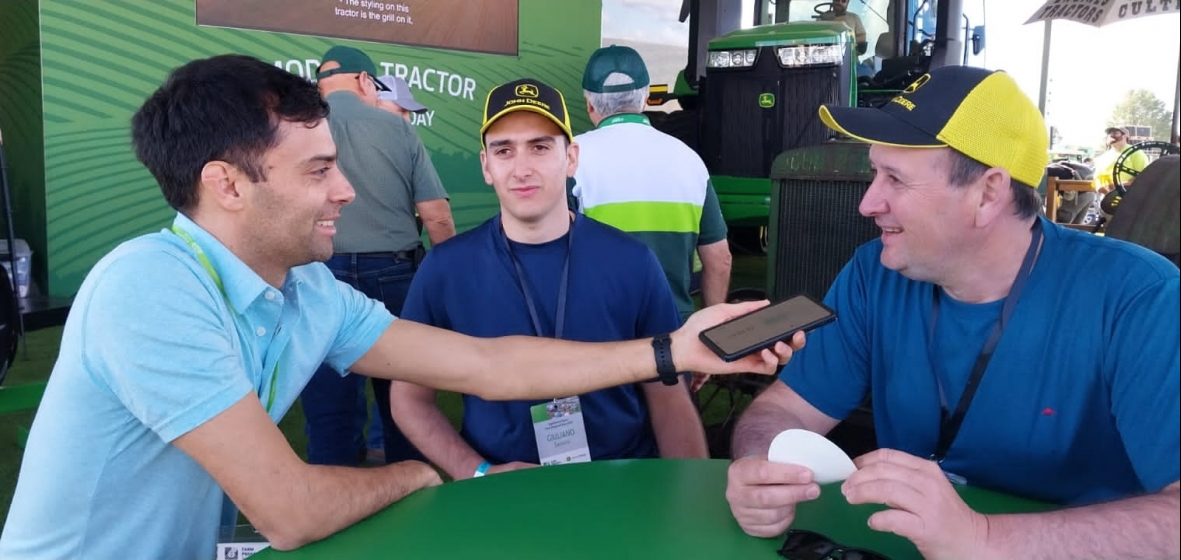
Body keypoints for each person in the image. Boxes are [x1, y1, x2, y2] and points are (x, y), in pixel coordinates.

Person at [0, 54, 803, 560]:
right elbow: (290, 512)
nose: (345, 191)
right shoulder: (149, 285)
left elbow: (488, 364)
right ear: (227, 185)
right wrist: (423, 474)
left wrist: (673, 350)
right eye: (319, 171)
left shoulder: (308, 290)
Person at [723, 66, 1179, 559]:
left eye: (895, 179)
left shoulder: (1140, 298)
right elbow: (784, 409)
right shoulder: (874, 272)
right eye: (875, 173)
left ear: (987, 194)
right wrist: (759, 464)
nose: (868, 203)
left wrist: (981, 538)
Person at [389, 78, 709, 480]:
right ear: (486, 166)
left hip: (619, 483)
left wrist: (695, 496)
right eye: (504, 150)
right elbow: (409, 397)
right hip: (502, 495)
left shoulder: (631, 262)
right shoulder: (446, 269)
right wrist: (479, 472)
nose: (522, 169)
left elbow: (667, 396)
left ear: (571, 158)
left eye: (540, 147)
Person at [299, 45, 455, 467]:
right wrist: (450, 283)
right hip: (394, 274)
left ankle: (334, 507)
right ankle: (409, 501)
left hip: (317, 275)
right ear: (366, 81)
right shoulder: (397, 129)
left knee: (329, 405)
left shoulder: (297, 131)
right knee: (405, 399)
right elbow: (437, 218)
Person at [572, 45, 731, 391]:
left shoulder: (570, 157)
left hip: (596, 344)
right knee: (673, 440)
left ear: (589, 104)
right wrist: (710, 340)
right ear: (645, 99)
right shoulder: (690, 160)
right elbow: (719, 260)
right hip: (676, 340)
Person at [1093, 125, 1150, 194]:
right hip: (1108, 200)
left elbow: (1145, 177)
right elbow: (1097, 177)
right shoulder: (1103, 157)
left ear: (1125, 136)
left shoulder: (1136, 153)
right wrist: (1099, 186)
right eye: (1110, 133)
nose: (1111, 135)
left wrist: (1119, 185)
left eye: (1115, 133)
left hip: (1130, 197)